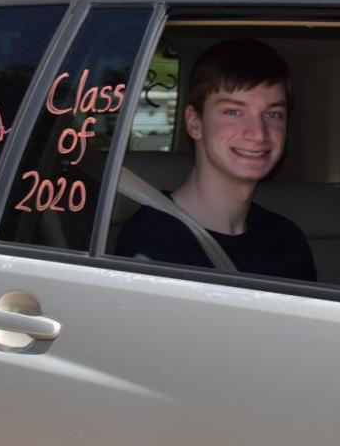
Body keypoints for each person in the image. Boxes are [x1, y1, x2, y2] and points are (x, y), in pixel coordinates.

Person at [116, 39, 317, 280]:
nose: (258, 133)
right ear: (194, 122)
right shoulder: (152, 245)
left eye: (273, 114)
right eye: (233, 112)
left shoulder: (287, 239)